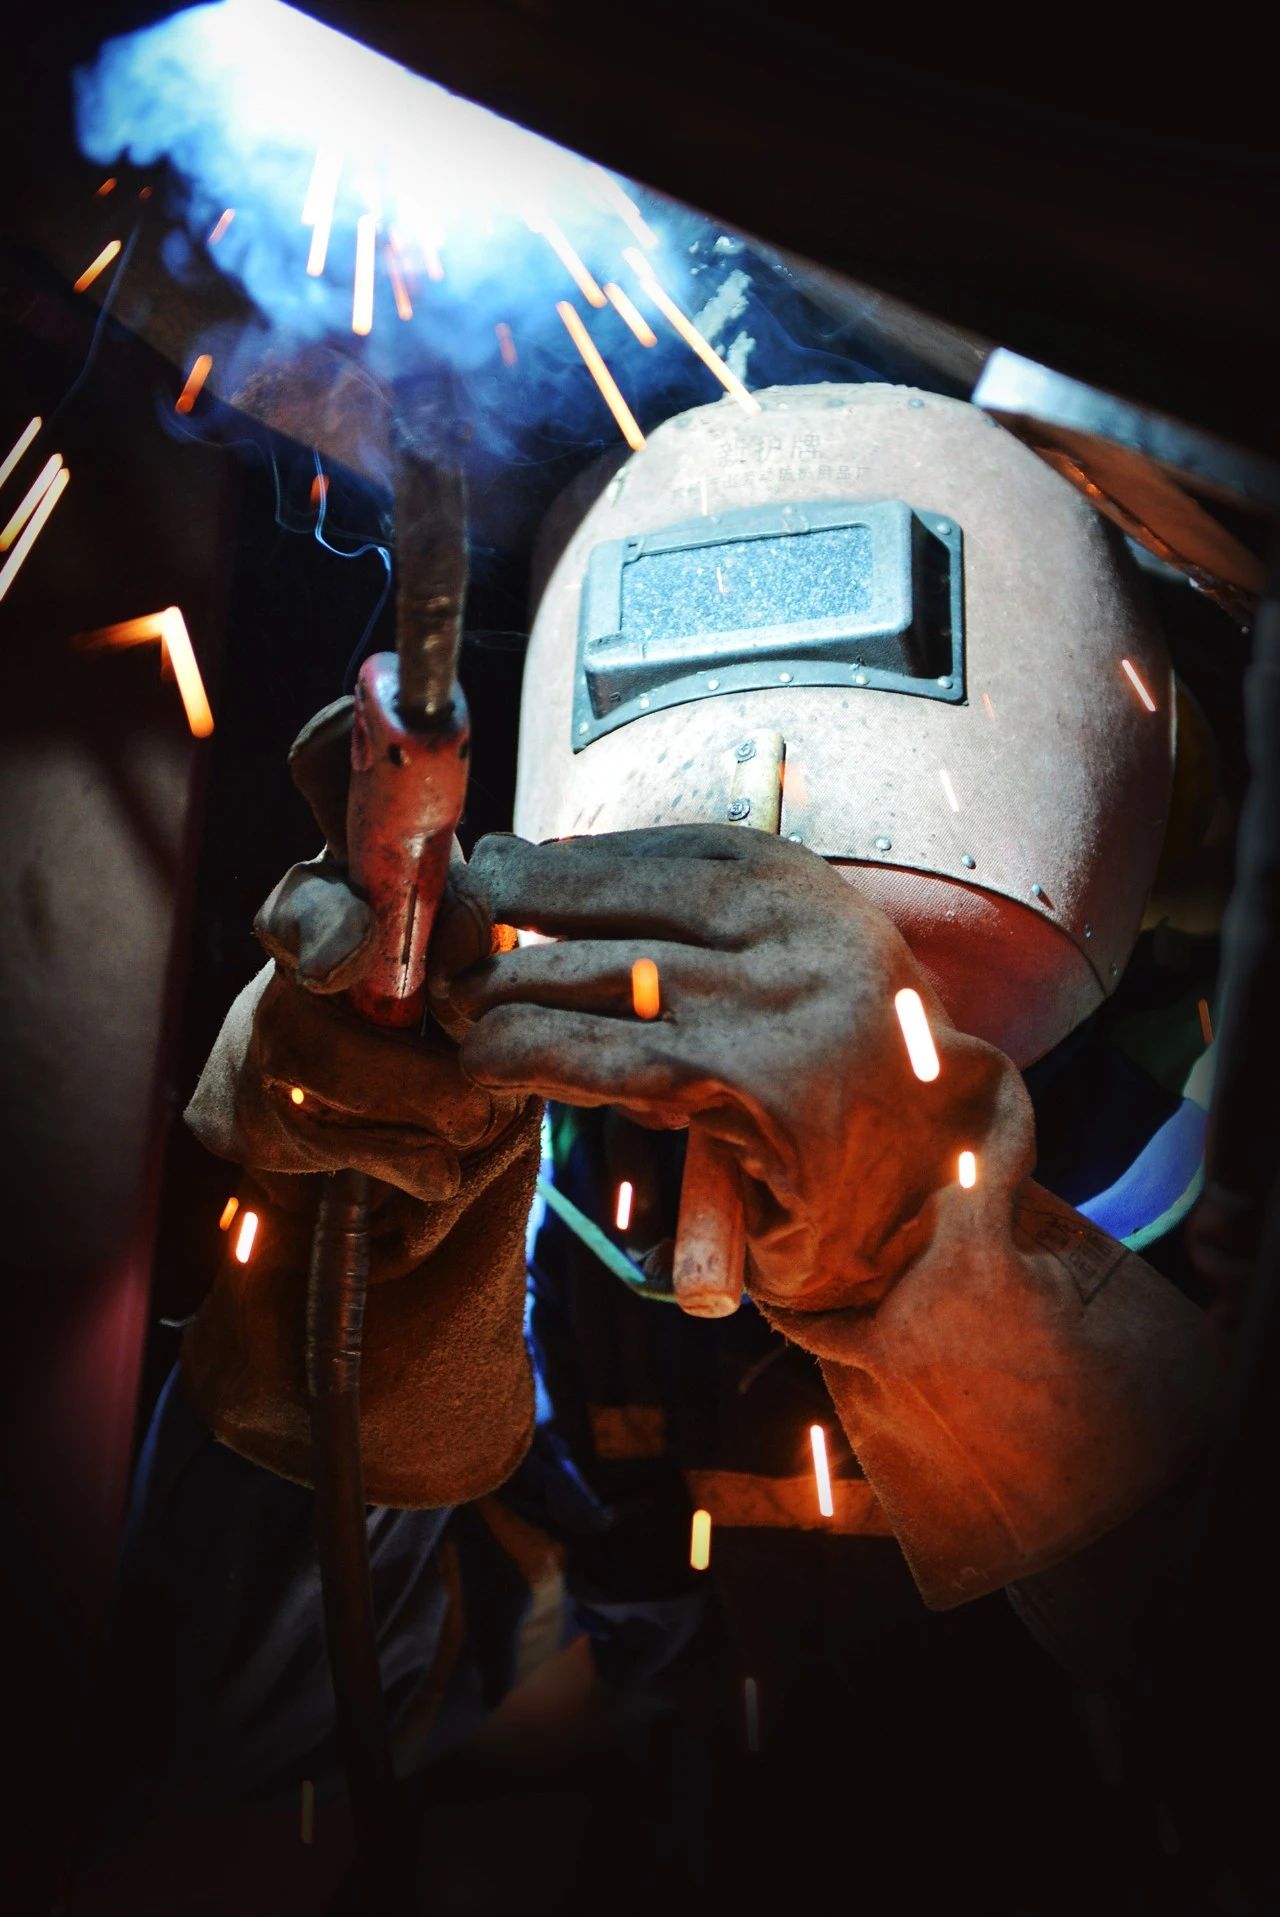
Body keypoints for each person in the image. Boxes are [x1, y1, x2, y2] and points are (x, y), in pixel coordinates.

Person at [86, 385, 1221, 1913]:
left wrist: (949, 1280)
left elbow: (1228, 1706)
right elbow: (246, 1760)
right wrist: (335, 1289)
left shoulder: (1210, 1208)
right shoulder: (562, 1226)